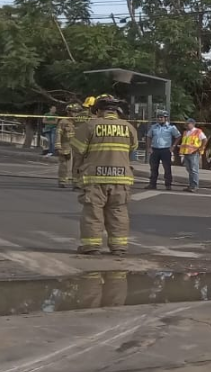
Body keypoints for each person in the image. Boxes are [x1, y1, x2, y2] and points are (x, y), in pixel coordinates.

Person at [69, 95, 137, 256]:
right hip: (121, 178)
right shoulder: (128, 127)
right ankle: (119, 248)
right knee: (118, 212)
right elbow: (132, 149)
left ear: (98, 110)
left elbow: (78, 152)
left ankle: (92, 247)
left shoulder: (89, 126)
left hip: (95, 178)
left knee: (93, 213)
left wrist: (76, 175)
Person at [145, 110, 181, 190]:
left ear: (166, 118)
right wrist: (149, 147)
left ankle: (168, 185)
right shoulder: (154, 127)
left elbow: (178, 136)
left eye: (161, 117)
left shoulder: (171, 128)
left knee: (167, 168)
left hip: (165, 150)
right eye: (158, 117)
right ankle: (152, 184)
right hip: (155, 150)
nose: (159, 119)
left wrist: (173, 146)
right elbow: (148, 136)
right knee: (153, 168)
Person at [54, 103, 82, 188]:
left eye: (77, 112)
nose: (75, 113)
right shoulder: (63, 122)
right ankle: (62, 181)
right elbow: (58, 134)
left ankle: (76, 182)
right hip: (66, 145)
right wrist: (58, 146)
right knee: (64, 164)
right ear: (69, 112)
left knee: (77, 165)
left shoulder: (80, 122)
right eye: (73, 111)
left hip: (77, 146)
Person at [178, 118, 208, 193]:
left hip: (194, 153)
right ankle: (191, 185)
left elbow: (204, 139)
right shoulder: (185, 132)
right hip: (186, 153)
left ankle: (194, 186)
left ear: (192, 124)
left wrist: (200, 148)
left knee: (194, 170)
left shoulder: (198, 131)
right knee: (189, 169)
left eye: (188, 124)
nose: (186, 125)